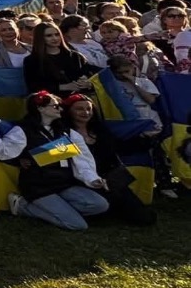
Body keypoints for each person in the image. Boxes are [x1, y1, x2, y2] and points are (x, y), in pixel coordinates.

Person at [0, 92, 110, 231]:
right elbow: (5, 152)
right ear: (40, 108)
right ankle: (22, 206)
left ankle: (60, 209)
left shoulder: (66, 132)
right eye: (56, 106)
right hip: (39, 186)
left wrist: (93, 179)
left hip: (63, 184)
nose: (61, 109)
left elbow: (82, 160)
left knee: (100, 205)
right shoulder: (23, 130)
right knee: (78, 225)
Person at [61, 92, 154, 225]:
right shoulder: (63, 133)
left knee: (144, 218)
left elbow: (118, 146)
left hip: (111, 180)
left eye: (88, 109)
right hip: (82, 181)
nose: (85, 112)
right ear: (69, 111)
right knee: (102, 215)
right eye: (79, 109)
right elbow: (50, 157)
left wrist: (146, 138)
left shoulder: (99, 130)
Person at [21, 22, 94, 98]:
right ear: (40, 38)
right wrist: (64, 87)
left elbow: (90, 74)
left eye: (57, 34)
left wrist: (87, 82)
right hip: (52, 103)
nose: (55, 38)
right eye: (49, 36)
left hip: (79, 100)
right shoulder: (32, 60)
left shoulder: (75, 56)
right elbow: (34, 87)